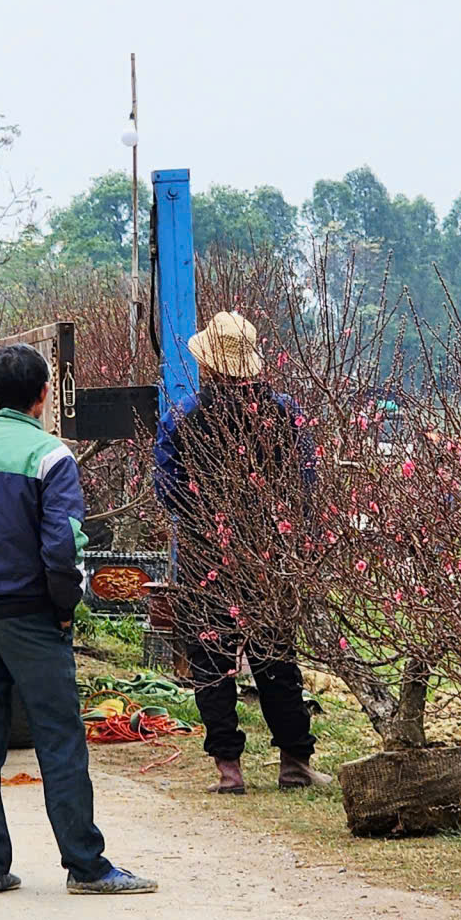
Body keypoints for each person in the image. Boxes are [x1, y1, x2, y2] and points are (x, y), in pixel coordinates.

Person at [0, 343, 156, 897]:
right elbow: (61, 547)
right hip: (29, 613)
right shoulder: (50, 456)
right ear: (43, 397)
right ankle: (86, 866)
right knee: (59, 738)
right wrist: (64, 609)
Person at [153, 310, 330, 795]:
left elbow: (168, 489)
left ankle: (229, 772)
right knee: (276, 657)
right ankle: (295, 763)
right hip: (269, 553)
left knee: (210, 659)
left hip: (203, 555)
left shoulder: (185, 416)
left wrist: (206, 520)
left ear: (208, 365)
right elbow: (305, 486)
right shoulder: (284, 412)